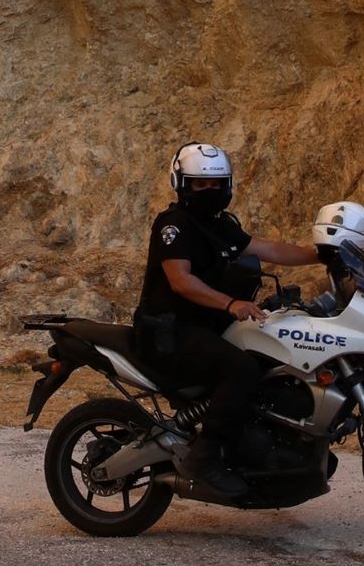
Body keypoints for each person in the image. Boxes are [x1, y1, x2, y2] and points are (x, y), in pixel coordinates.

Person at [135, 142, 322, 496]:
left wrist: (322, 255)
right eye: (199, 185)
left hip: (205, 329)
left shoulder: (219, 225)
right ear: (182, 184)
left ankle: (256, 450)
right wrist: (230, 303)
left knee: (269, 361)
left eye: (216, 184)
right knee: (242, 370)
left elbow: (267, 249)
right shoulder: (173, 225)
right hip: (169, 333)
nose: (209, 191)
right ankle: (203, 459)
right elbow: (180, 279)